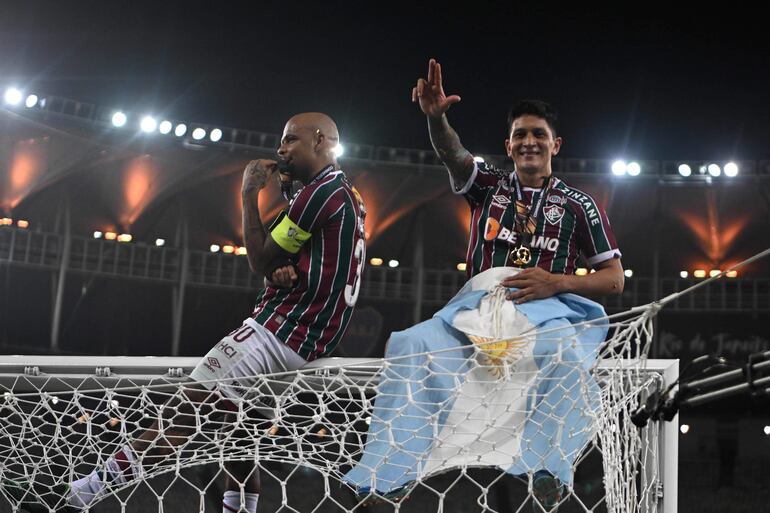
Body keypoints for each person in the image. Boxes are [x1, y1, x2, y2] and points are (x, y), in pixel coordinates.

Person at [8, 112, 366, 513]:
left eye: (289, 141)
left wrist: (248, 195)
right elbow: (304, 250)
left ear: (319, 140)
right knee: (240, 434)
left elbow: (260, 259)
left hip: (281, 331)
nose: (280, 150)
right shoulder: (346, 193)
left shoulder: (320, 193)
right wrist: (285, 261)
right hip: (311, 336)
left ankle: (79, 497)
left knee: (184, 411)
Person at [344, 60, 623, 513]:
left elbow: (614, 280)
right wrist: (436, 119)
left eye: (538, 133)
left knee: (568, 360)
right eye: (520, 134)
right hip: (478, 306)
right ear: (508, 145)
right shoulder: (488, 186)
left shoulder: (580, 206)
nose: (529, 141)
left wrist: (557, 282)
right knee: (411, 345)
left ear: (556, 143)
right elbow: (453, 154)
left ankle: (550, 468)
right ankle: (391, 474)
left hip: (544, 312)